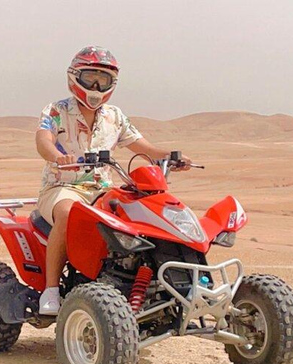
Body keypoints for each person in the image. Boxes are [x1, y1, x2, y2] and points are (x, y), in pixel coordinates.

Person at [35, 46, 192, 315]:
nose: (96, 86)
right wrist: (56, 156)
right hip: (63, 187)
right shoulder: (56, 111)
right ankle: (50, 292)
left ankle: (144, 281)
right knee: (68, 213)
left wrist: (169, 157)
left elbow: (145, 148)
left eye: (103, 80)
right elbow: (43, 140)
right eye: (90, 77)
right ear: (75, 76)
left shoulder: (115, 116)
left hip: (103, 190)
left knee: (140, 216)